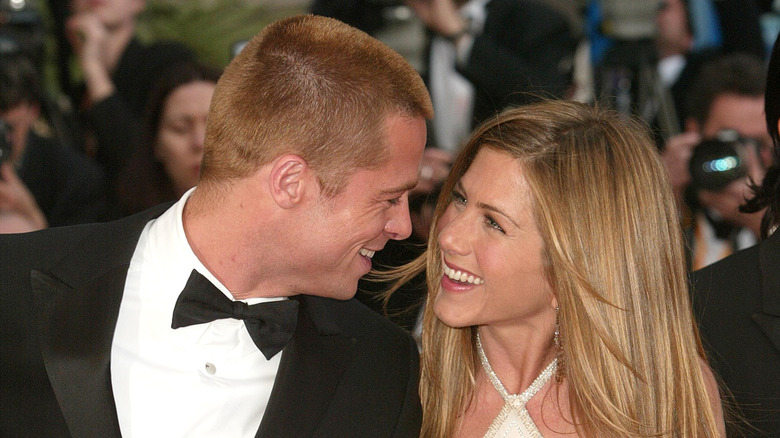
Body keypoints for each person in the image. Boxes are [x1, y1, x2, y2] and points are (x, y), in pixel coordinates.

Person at [0, 14, 433, 437]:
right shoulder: (12, 282)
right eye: (390, 197)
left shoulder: (383, 370)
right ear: (291, 182)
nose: (401, 226)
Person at [387, 100, 725, 437]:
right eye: (460, 199)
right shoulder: (398, 382)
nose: (448, 236)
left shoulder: (666, 396)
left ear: (572, 269)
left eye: (493, 222)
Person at [690, 31, 780, 438]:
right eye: (727, 144)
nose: (738, 164)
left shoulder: (765, 235)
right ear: (693, 135)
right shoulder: (658, 220)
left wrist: (758, 216)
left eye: (756, 146)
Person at [66, 0, 195, 181]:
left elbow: (136, 160)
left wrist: (92, 65)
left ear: (139, 3)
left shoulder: (168, 62)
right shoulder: (71, 93)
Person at [0, 55, 112, 229]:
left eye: (8, 128)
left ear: (33, 111)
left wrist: (30, 214)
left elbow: (80, 252)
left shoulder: (76, 179)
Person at [115, 62, 221, 216]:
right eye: (181, 128)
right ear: (156, 145)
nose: (199, 143)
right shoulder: (135, 233)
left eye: (215, 126)